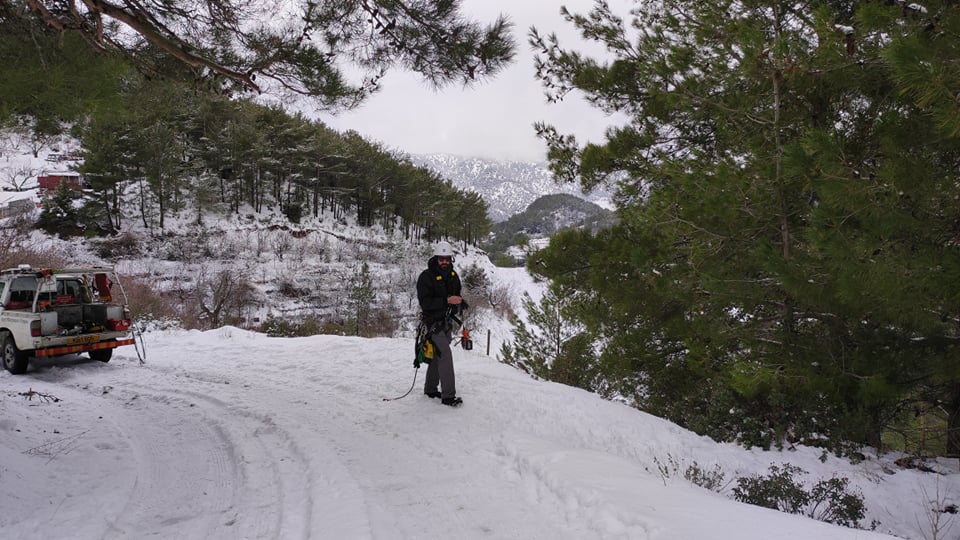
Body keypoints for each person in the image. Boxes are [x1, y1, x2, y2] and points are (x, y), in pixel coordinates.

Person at [417, 241, 466, 407]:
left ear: (451, 259)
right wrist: (447, 301)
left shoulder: (453, 276)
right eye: (441, 259)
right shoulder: (426, 277)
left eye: (447, 259)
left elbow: (455, 295)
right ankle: (448, 396)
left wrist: (459, 303)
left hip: (445, 322)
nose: (444, 262)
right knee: (445, 354)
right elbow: (426, 303)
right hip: (432, 323)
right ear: (436, 259)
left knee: (438, 356)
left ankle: (430, 389)